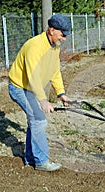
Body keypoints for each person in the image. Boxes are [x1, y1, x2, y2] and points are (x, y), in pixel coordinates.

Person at [8, 14, 71, 171]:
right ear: (51, 30)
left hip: (30, 88)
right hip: (19, 87)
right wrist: (43, 100)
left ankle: (30, 158)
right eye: (63, 35)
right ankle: (41, 161)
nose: (64, 39)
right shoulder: (35, 46)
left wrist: (61, 93)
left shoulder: (54, 47)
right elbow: (32, 75)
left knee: (34, 121)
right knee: (39, 120)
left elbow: (54, 71)